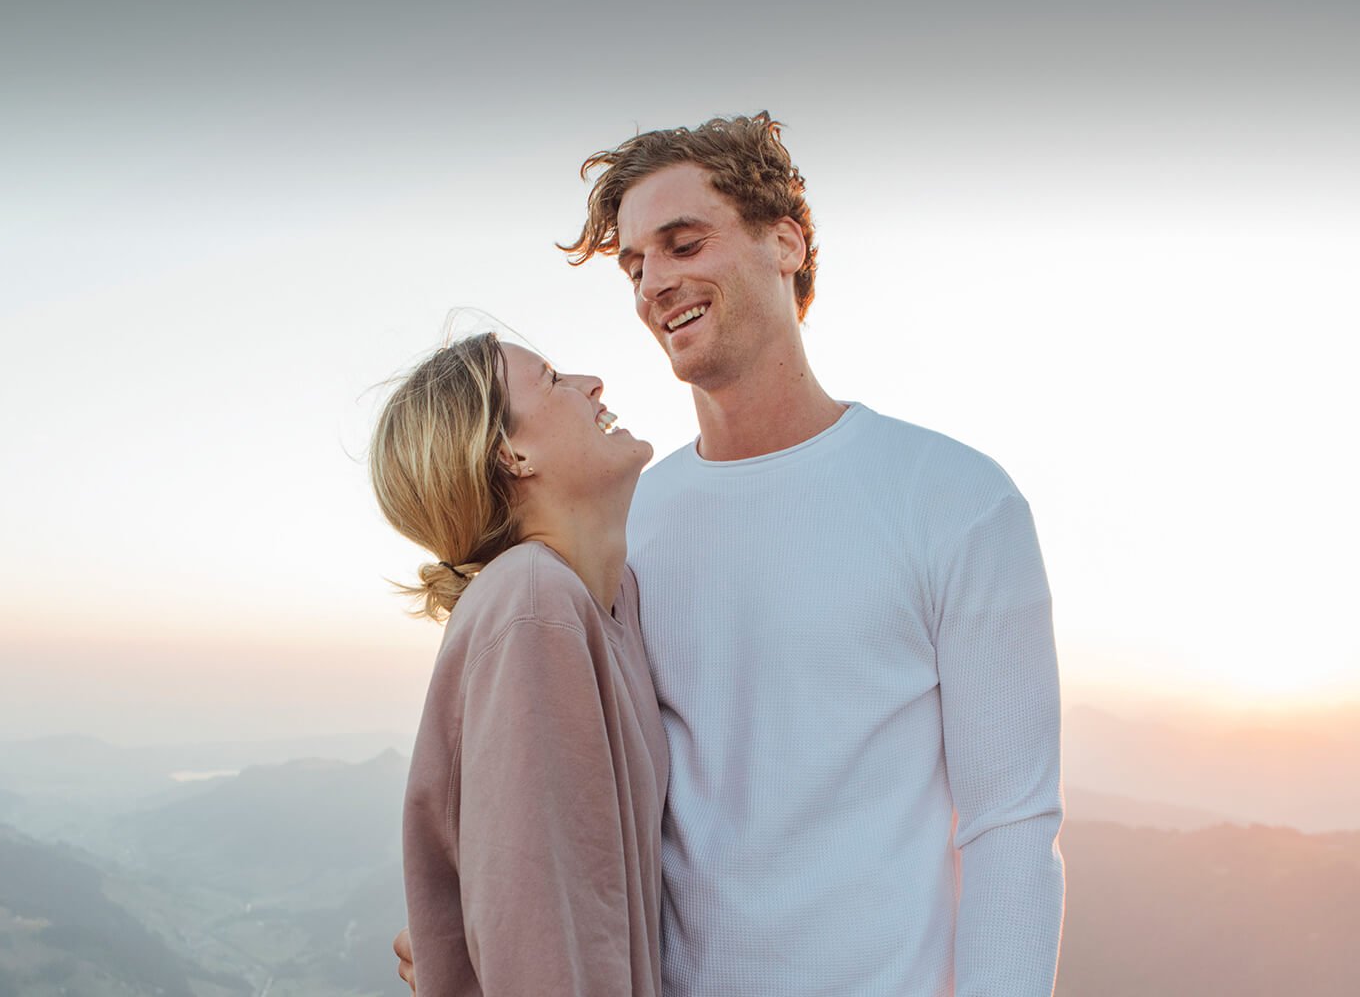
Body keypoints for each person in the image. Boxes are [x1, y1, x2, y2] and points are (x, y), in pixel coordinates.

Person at [396, 114, 1065, 996]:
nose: (654, 285)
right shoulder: (630, 526)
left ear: (784, 242)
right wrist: (484, 926)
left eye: (682, 244)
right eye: (636, 266)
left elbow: (1010, 825)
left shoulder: (957, 500)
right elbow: (565, 781)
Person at [369, 332, 670, 995]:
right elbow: (548, 947)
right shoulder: (534, 609)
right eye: (554, 377)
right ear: (512, 453)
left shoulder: (607, 599)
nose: (593, 382)